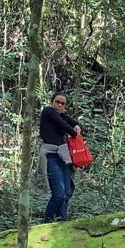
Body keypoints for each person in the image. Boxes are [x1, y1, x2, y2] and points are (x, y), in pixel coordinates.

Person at [38, 92, 81, 222]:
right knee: (59, 194)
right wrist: (74, 132)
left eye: (62, 103)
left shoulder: (62, 116)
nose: (59, 105)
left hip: (64, 156)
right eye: (57, 102)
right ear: (52, 102)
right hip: (51, 156)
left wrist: (77, 126)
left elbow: (75, 124)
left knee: (67, 193)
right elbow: (61, 124)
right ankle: (48, 221)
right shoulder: (48, 111)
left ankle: (62, 220)